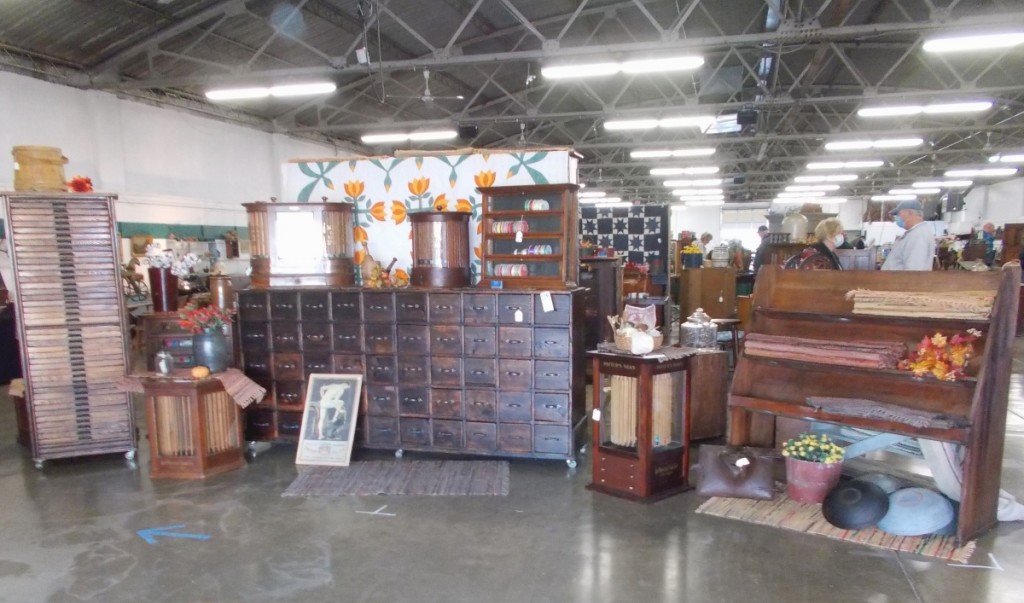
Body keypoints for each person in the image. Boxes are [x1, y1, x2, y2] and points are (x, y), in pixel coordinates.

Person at [879, 204, 1024, 521]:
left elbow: (914, 279)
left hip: (902, 305)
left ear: (912, 213)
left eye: (900, 213)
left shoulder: (919, 236)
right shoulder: (913, 235)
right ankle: (989, 500)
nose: (898, 219)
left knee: (943, 427)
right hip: (896, 310)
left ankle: (988, 502)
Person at [881, 200, 935, 271]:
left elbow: (914, 270)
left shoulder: (918, 235)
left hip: (900, 281)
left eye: (899, 214)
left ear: (909, 213)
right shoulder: (915, 233)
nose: (897, 217)